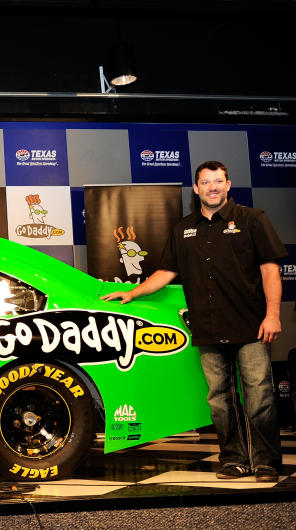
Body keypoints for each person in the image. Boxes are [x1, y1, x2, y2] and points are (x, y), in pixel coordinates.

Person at [102, 160, 286, 482]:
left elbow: (270, 269)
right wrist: (133, 293)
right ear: (197, 188)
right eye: (206, 182)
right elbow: (167, 271)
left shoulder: (253, 220)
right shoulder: (182, 228)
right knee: (219, 401)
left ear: (228, 185)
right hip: (208, 328)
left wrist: (273, 315)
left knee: (260, 397)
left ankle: (267, 461)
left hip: (251, 326)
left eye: (218, 181)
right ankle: (233, 459)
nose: (212, 187)